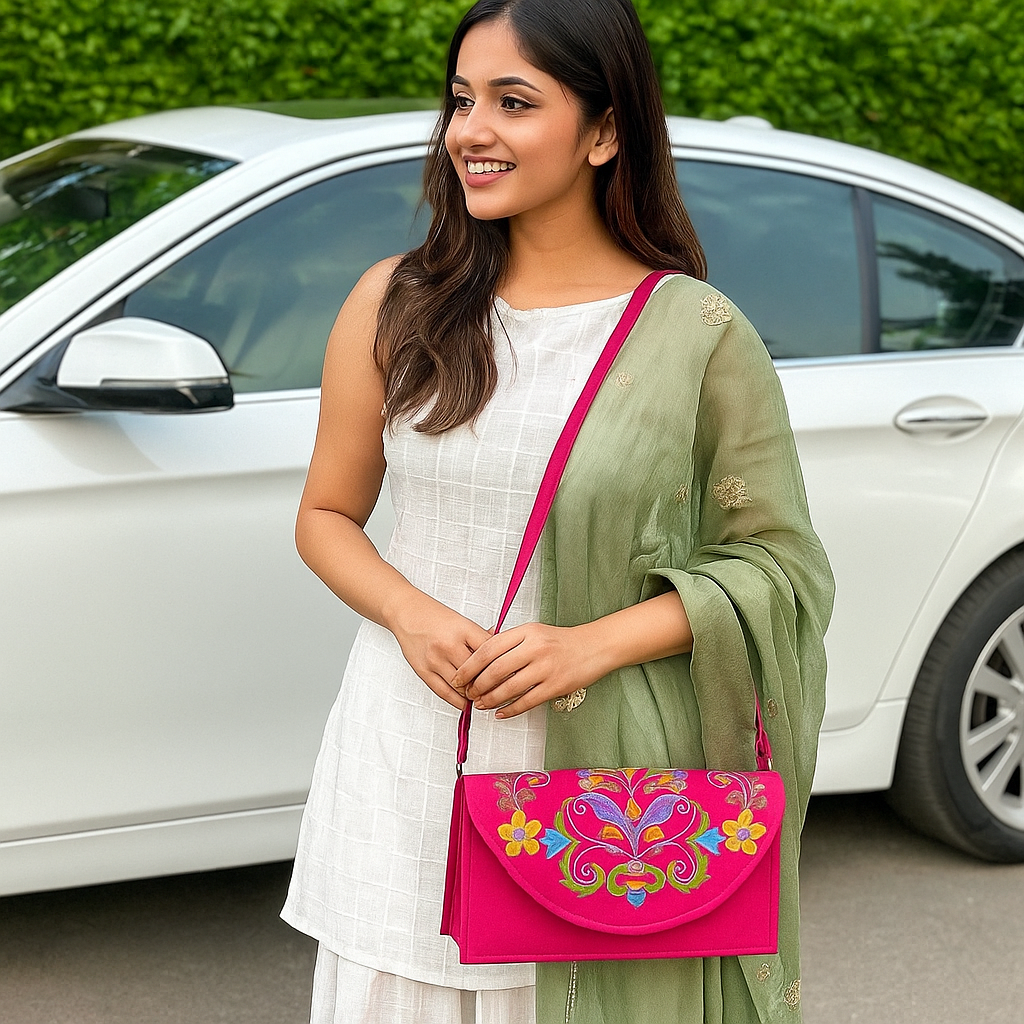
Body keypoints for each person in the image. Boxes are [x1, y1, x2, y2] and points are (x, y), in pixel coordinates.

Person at [281, 0, 834, 1021]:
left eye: (513, 101)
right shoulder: (396, 302)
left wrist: (594, 645)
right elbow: (326, 513)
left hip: (591, 791)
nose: (469, 131)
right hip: (403, 753)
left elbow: (780, 570)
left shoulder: (696, 333)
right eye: (460, 99)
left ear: (605, 131)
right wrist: (411, 613)